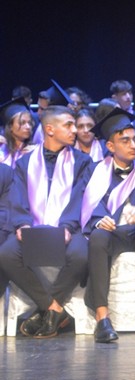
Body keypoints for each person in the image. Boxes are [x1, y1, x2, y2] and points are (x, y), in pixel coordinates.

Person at [0, 106, 92, 337]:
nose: (75, 130)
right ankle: (52, 307)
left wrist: (67, 226)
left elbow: (81, 197)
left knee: (80, 255)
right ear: (50, 129)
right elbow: (17, 197)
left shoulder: (82, 161)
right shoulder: (25, 162)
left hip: (70, 228)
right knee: (6, 254)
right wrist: (22, 224)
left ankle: (48, 310)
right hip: (32, 226)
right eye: (68, 125)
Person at [81, 108, 135, 344]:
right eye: (125, 140)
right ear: (110, 146)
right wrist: (99, 219)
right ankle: (102, 318)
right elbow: (86, 203)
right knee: (98, 237)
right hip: (112, 232)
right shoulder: (95, 171)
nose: (133, 145)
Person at [0, 98, 36, 167]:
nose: (28, 127)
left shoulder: (35, 150)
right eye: (22, 123)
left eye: (29, 123)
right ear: (10, 126)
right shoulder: (1, 150)